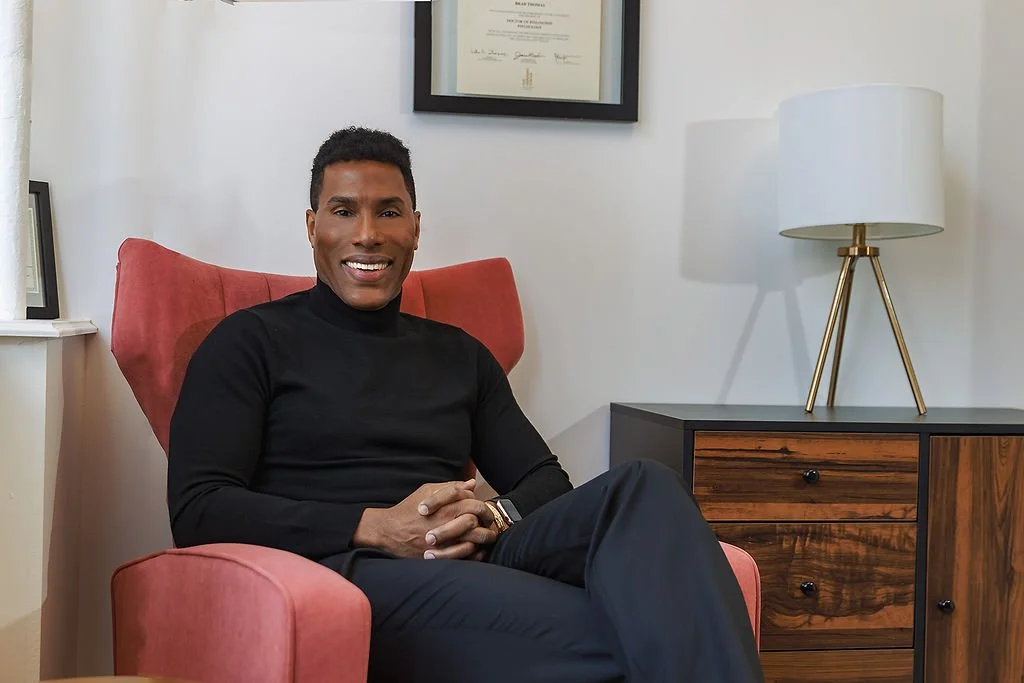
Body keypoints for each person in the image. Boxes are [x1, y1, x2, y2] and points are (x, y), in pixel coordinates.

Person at [167, 127, 764, 683]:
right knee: (643, 626)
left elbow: (543, 481)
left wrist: (488, 519)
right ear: (312, 225)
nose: (367, 234)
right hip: (350, 571)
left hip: (466, 552)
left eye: (389, 212)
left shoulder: (459, 355)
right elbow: (199, 509)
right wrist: (378, 527)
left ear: (416, 228)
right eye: (344, 211)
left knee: (643, 486)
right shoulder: (249, 342)